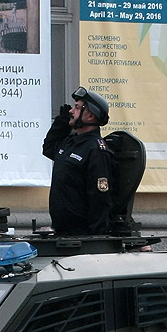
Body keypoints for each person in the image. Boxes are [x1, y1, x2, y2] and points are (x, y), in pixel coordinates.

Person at [42, 86, 115, 235]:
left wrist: (95, 238)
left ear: (90, 116)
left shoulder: (96, 150)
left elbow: (100, 199)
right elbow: (48, 148)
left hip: (81, 234)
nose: (71, 111)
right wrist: (61, 124)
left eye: (77, 108)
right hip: (63, 231)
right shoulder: (71, 142)